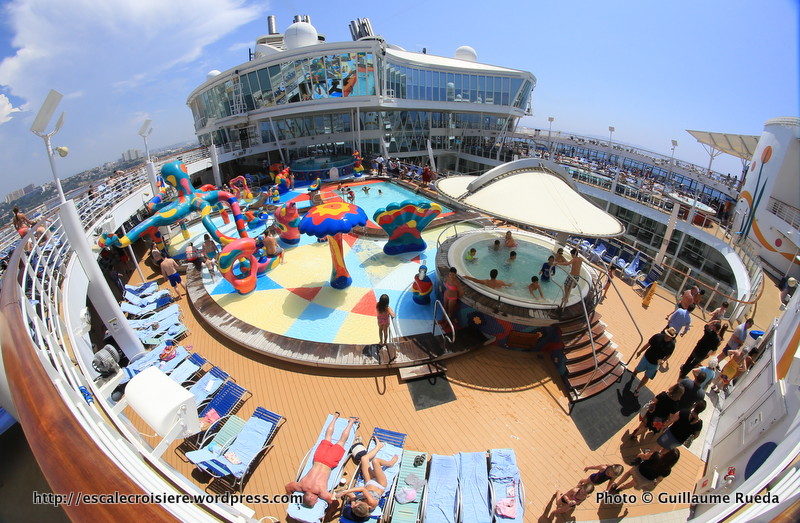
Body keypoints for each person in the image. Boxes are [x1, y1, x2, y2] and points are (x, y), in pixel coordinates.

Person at [285, 413, 359, 508]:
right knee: (327, 436)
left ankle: (351, 421)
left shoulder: (320, 492)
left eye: (313, 502)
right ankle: (335, 417)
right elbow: (288, 487)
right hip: (319, 458)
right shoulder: (300, 486)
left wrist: (329, 512)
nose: (316, 502)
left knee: (342, 441)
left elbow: (335, 503)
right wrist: (289, 495)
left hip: (330, 461)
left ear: (311, 497)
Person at [337, 436, 399, 519]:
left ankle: (379, 446)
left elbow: (352, 496)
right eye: (356, 504)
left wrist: (350, 499)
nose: (355, 504)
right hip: (380, 484)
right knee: (375, 461)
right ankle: (390, 463)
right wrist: (345, 492)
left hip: (368, 482)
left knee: (364, 458)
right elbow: (362, 489)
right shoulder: (372, 503)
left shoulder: (356, 506)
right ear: (363, 506)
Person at [629, 327, 678, 396]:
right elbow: (648, 344)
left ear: (671, 337)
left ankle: (637, 389)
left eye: (669, 337)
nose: (667, 337)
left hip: (655, 364)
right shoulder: (657, 336)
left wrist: (664, 360)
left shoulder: (672, 345)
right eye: (667, 335)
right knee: (637, 370)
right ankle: (632, 377)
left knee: (647, 377)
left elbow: (669, 354)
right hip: (646, 358)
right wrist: (640, 351)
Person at [608, 448, 680, 493]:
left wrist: (639, 456)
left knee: (629, 473)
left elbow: (644, 456)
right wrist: (656, 483)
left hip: (639, 470)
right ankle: (620, 489)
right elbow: (659, 479)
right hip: (645, 479)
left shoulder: (656, 455)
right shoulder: (667, 470)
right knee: (633, 483)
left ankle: (616, 485)